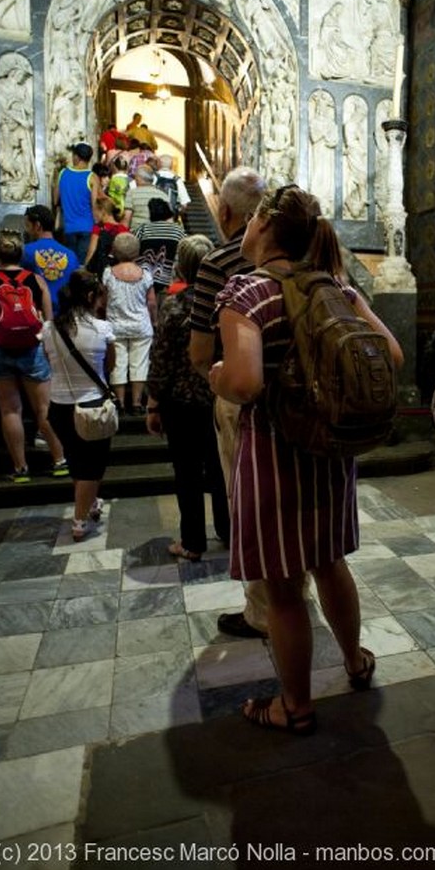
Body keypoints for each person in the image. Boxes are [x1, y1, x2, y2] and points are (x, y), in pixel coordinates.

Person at [208, 184, 404, 736]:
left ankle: (294, 705)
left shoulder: (246, 293)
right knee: (330, 564)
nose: (244, 227)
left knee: (286, 590)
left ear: (265, 226)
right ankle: (354, 661)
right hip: (331, 455)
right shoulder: (337, 286)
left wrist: (217, 374)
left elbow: (244, 382)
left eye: (250, 220)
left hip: (275, 458)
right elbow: (391, 354)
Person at [189, 166, 269, 639]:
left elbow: (200, 353)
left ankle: (263, 611)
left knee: (249, 503)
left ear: (224, 211)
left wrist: (222, 380)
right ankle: (294, 595)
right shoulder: (306, 262)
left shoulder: (219, 263)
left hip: (241, 398)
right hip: (300, 398)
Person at [146, 235, 231, 559]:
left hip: (180, 403)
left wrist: (153, 402)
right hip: (217, 397)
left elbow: (161, 358)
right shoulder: (225, 304)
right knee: (221, 469)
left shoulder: (175, 304)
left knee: (188, 474)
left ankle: (193, 542)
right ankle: (228, 530)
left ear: (181, 265)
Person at [0, 229, 67, 482]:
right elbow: (48, 320)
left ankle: (20, 469)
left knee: (9, 410)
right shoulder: (36, 280)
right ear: (22, 253)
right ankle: (60, 460)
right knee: (44, 409)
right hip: (32, 347)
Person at [42, 270, 116, 541]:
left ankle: (90, 503)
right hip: (92, 405)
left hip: (59, 405)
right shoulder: (101, 329)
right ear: (89, 296)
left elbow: (48, 360)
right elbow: (110, 365)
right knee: (92, 467)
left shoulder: (49, 329)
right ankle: (79, 520)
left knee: (75, 460)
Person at [102, 232, 156, 414]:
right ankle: (137, 403)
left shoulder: (108, 273)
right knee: (139, 364)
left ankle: (121, 404)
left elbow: (104, 300)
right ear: (137, 252)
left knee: (118, 364)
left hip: (115, 325)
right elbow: (151, 302)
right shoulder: (146, 274)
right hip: (140, 325)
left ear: (115, 251)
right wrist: (153, 320)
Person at [22, 204, 79, 315]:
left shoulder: (26, 251)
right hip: (65, 317)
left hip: (37, 315)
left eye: (28, 226)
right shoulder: (71, 255)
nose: (27, 231)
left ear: (37, 226)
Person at [53, 142, 103, 264]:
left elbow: (55, 200)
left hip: (68, 227)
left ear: (76, 157)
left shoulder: (62, 174)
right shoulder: (92, 177)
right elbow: (95, 205)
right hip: (87, 226)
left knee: (69, 263)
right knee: (82, 265)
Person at [134, 197, 186, 297]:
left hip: (143, 281)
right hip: (169, 282)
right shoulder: (178, 231)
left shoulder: (143, 229)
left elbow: (132, 249)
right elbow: (185, 251)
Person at [84, 198, 129, 279]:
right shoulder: (123, 229)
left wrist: (86, 268)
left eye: (96, 211)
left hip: (102, 269)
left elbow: (92, 249)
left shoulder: (99, 228)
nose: (94, 214)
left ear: (103, 211)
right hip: (118, 270)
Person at [123, 164, 167, 230]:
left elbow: (126, 219)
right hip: (158, 234)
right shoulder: (163, 195)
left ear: (138, 178)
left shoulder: (131, 193)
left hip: (137, 235)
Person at [155, 153, 191, 224]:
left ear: (158, 164)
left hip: (154, 218)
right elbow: (184, 204)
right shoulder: (177, 180)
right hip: (171, 220)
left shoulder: (153, 177)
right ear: (171, 165)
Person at [106, 154, 130, 220]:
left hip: (115, 206)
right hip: (127, 207)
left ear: (115, 167)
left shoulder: (113, 179)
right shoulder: (129, 180)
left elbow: (109, 193)